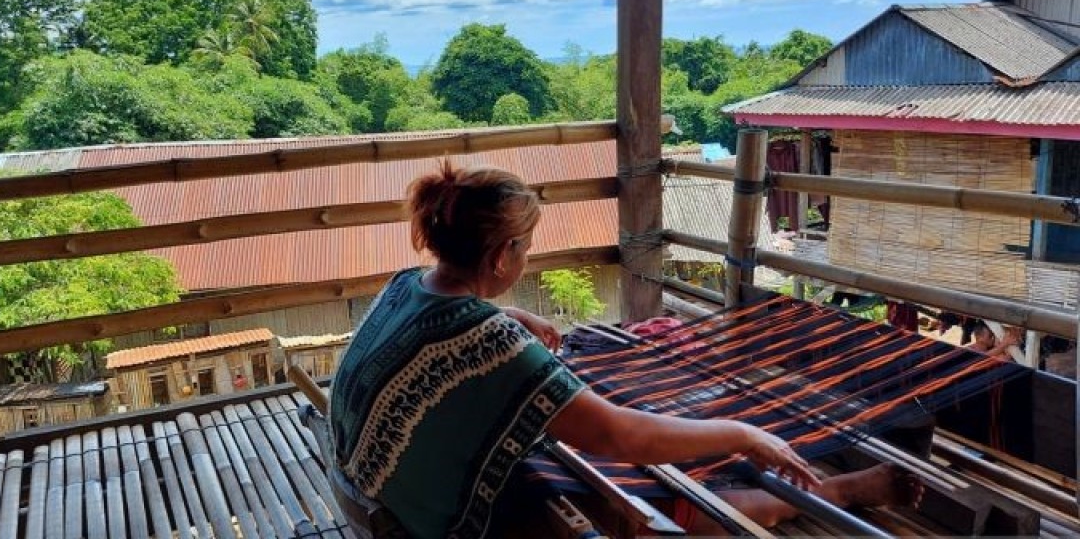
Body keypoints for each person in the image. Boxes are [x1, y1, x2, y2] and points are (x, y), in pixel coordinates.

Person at [330, 161, 918, 539]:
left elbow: (446, 325)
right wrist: (744, 433)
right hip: (423, 526)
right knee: (630, 499)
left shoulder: (406, 283)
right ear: (503, 255)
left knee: (557, 454)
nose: (527, 260)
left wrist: (511, 312)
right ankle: (830, 493)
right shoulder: (489, 343)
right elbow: (623, 435)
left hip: (366, 489)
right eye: (527, 248)